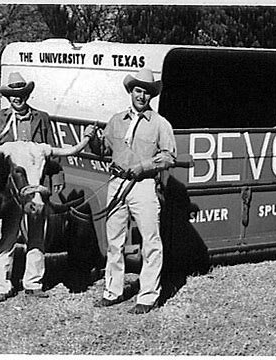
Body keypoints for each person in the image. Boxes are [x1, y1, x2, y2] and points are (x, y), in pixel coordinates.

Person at [0, 72, 64, 302]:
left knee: (36, 233)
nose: (17, 99)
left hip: (34, 187)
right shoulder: (0, 117)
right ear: (7, 97)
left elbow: (50, 150)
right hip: (12, 189)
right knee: (9, 234)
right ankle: (2, 285)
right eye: (12, 95)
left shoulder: (41, 118)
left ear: (27, 95)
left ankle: (33, 282)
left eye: (21, 94)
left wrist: (57, 174)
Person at [91, 68, 177, 314]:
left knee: (151, 241)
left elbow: (169, 157)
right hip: (117, 183)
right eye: (138, 90)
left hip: (144, 185)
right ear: (131, 91)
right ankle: (112, 291)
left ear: (151, 96)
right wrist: (94, 139)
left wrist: (144, 167)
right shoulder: (117, 120)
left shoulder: (160, 124)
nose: (142, 96)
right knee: (114, 241)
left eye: (147, 92)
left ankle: (147, 297)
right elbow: (105, 150)